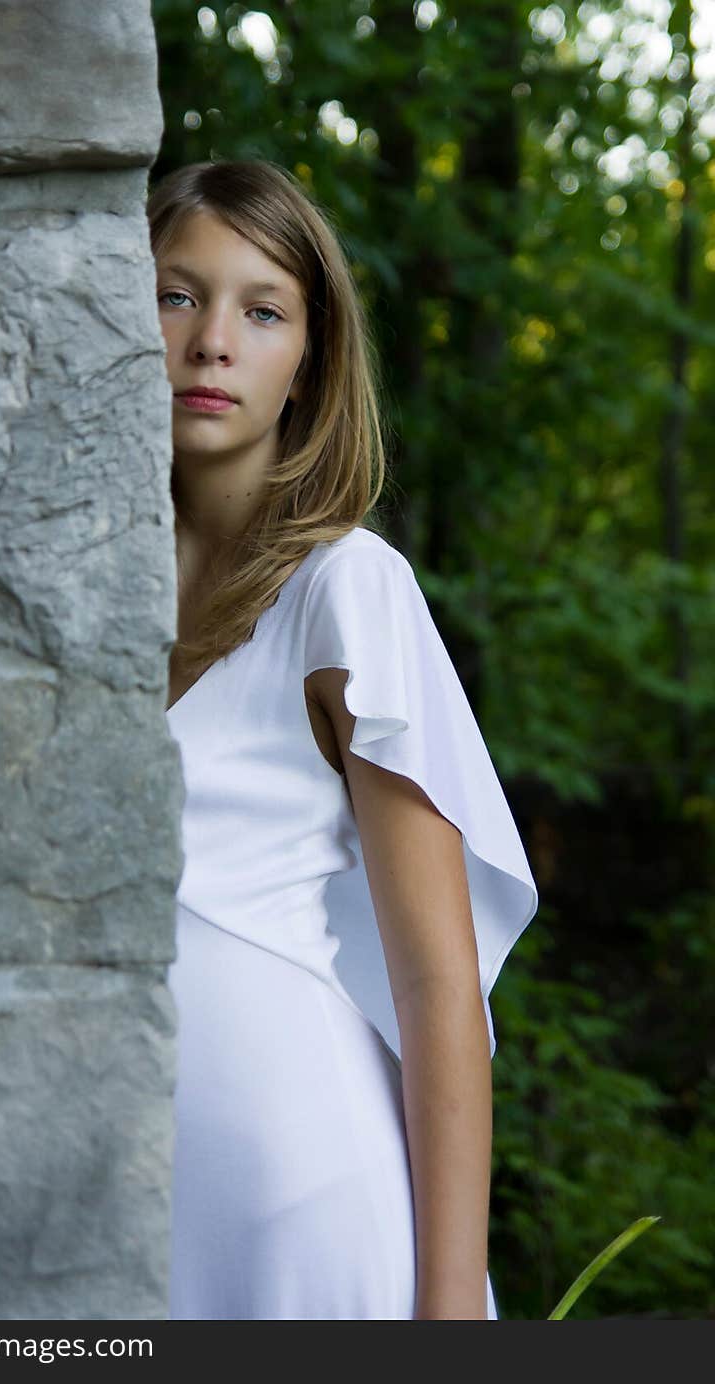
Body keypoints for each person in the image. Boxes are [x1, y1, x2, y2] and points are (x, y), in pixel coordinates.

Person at [146, 157, 539, 1320]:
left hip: (304, 1197)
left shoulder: (345, 587)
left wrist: (449, 1311)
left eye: (262, 310)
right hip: (117, 1199)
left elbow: (436, 986)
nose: (213, 340)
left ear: (307, 360)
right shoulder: (72, 599)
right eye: (177, 295)